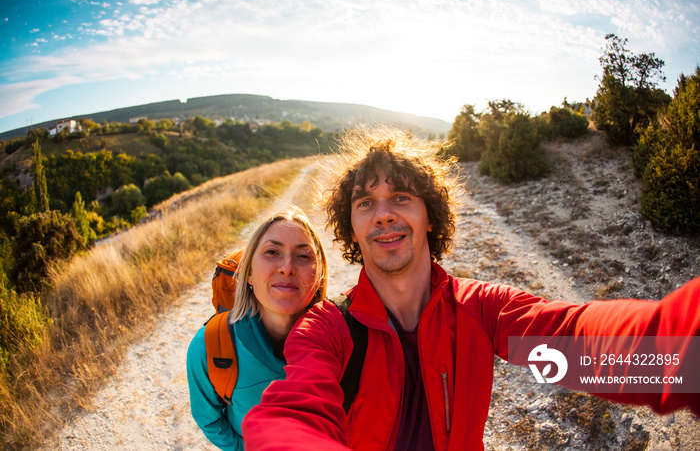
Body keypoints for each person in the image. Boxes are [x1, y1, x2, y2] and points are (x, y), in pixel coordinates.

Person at [242, 127, 700, 450]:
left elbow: (576, 342)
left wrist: (686, 361)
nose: (383, 214)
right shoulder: (327, 328)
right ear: (352, 228)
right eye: (365, 204)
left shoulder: (481, 311)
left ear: (430, 216)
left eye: (401, 197)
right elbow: (290, 416)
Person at [186, 208, 328, 450]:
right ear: (248, 273)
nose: (287, 267)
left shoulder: (340, 341)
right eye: (272, 252)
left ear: (319, 276)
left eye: (303, 256)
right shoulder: (211, 346)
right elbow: (208, 418)